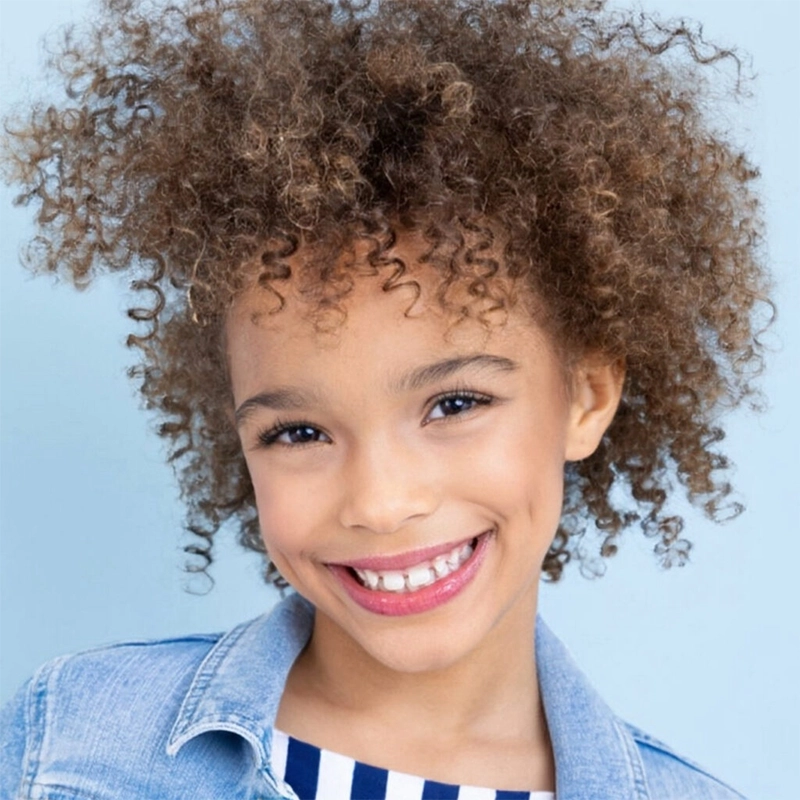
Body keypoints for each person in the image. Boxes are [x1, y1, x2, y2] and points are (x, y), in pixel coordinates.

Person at [0, 0, 773, 797]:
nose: (380, 502)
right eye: (298, 432)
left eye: (454, 404)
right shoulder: (72, 745)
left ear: (587, 395)